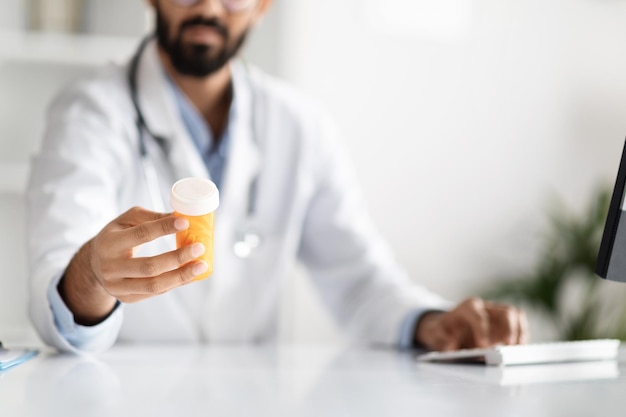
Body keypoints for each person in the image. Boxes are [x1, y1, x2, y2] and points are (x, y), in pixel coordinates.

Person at [26, 0, 528, 353]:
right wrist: (91, 272)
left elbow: (359, 280)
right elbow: (58, 271)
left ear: (263, 5)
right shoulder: (89, 112)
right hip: (123, 397)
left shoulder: (298, 126)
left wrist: (432, 322)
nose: (208, 8)